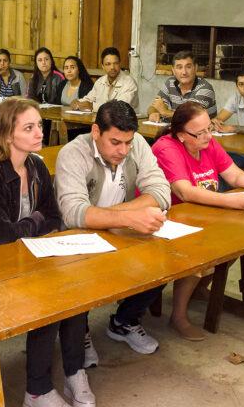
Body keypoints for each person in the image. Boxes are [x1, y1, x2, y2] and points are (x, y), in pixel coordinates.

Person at [0, 98, 95, 407]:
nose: (39, 133)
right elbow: (2, 237)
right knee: (48, 298)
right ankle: (38, 391)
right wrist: (36, 222)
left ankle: (75, 372)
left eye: (38, 126)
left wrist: (29, 223)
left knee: (77, 287)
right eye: (29, 128)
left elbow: (55, 216)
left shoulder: (34, 165)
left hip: (26, 255)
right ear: (8, 135)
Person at [56, 100, 171, 359]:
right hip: (78, 238)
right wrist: (129, 217)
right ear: (96, 132)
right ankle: (79, 329)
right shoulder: (73, 153)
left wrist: (118, 217)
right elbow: (74, 214)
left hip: (119, 231)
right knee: (78, 274)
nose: (124, 150)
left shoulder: (136, 143)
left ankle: (124, 321)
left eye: (128, 142)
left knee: (167, 258)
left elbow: (162, 192)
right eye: (116, 142)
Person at [152, 101, 244, 340]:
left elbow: (233, 173)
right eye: (200, 132)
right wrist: (232, 201)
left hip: (202, 215)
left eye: (210, 128)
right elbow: (185, 192)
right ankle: (178, 315)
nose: (208, 135)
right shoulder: (166, 148)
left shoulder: (206, 142)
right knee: (199, 251)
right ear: (181, 135)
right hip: (167, 219)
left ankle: (196, 289)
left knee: (233, 245)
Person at [147, 51, 217, 121]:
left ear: (195, 68)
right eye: (179, 67)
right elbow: (154, 106)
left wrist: (165, 112)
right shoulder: (170, 83)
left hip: (202, 131)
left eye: (188, 67)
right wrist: (153, 113)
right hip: (178, 129)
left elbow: (190, 117)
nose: (184, 72)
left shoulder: (205, 88)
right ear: (173, 70)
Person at [75, 47, 139, 112]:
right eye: (108, 64)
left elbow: (119, 108)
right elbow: (88, 99)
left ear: (120, 64)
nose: (112, 67)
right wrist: (77, 102)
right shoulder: (100, 81)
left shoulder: (129, 82)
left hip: (124, 121)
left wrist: (92, 106)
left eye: (115, 63)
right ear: (103, 66)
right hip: (104, 120)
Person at [54, 56, 94, 141]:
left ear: (79, 69)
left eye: (72, 67)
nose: (69, 71)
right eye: (66, 68)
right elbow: (56, 106)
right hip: (62, 122)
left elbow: (87, 109)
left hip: (79, 125)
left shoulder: (86, 86)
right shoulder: (62, 85)